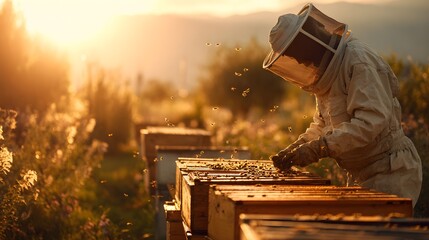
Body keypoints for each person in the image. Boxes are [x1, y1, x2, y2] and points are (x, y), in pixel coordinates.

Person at [263, 3, 422, 207]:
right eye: (293, 58)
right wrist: (298, 147)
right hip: (359, 173)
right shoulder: (326, 73)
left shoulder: (358, 62)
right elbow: (324, 123)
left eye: (298, 54)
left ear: (308, 41)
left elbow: (369, 123)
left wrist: (319, 148)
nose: (301, 62)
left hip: (390, 171)